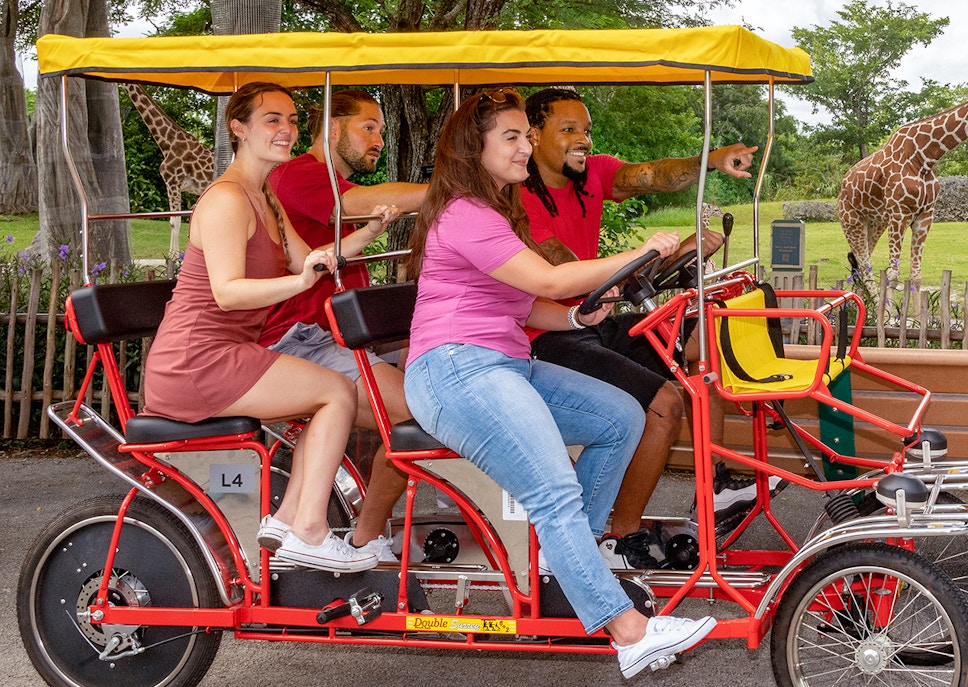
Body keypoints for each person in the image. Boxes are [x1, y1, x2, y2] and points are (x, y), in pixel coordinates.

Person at [401, 87, 715, 679]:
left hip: (502, 361)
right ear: (477, 148)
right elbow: (546, 274)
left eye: (526, 136)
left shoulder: (498, 210)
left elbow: (521, 303)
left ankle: (567, 568)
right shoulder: (465, 213)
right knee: (553, 492)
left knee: (620, 418)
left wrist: (576, 317)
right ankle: (629, 632)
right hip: (454, 370)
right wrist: (637, 251)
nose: (525, 148)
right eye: (512, 138)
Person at [141, 81, 399, 573]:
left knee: (333, 391)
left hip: (230, 351)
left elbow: (314, 261)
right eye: (271, 120)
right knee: (336, 393)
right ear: (238, 128)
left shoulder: (264, 197)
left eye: (292, 120)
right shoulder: (227, 200)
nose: (286, 131)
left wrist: (367, 231)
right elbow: (227, 292)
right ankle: (308, 530)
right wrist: (297, 282)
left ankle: (286, 522)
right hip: (196, 360)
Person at [522, 87, 780, 564]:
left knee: (704, 333)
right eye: (569, 130)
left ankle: (717, 483)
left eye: (587, 130)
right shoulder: (517, 197)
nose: (583, 139)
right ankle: (620, 537)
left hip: (593, 321)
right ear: (533, 136)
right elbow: (564, 271)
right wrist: (640, 264)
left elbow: (653, 175)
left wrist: (711, 162)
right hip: (547, 336)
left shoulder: (592, 173)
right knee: (663, 404)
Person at [263, 89, 427, 563]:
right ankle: (368, 540)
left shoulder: (326, 181)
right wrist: (460, 188)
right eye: (368, 127)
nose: (378, 139)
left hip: (341, 338)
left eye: (380, 129)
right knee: (417, 416)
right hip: (301, 340)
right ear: (333, 129)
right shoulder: (300, 175)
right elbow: (360, 204)